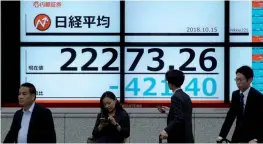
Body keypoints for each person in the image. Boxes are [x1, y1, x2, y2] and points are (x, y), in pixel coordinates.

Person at [217, 66, 263, 143]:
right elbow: (230, 117)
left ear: (250, 80)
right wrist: (221, 136)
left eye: (240, 80)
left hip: (252, 139)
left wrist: (257, 139)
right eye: (236, 79)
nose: (238, 82)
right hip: (237, 137)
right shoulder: (235, 95)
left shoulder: (258, 97)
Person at [158, 69, 194, 143]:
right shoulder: (186, 96)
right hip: (187, 137)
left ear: (171, 83)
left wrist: (166, 130)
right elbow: (183, 114)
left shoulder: (175, 97)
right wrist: (170, 111)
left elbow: (178, 118)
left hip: (178, 138)